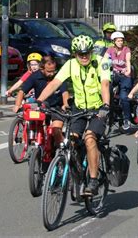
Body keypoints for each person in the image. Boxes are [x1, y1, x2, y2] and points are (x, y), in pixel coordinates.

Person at [37, 35, 111, 196]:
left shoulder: (101, 62)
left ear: (91, 52)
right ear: (74, 54)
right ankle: (75, 170)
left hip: (98, 109)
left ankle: (93, 180)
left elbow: (105, 84)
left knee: (90, 138)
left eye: (86, 53)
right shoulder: (70, 65)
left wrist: (105, 106)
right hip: (79, 109)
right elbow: (55, 83)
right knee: (70, 140)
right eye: (80, 54)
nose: (84, 57)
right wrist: (39, 101)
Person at [13, 55, 69, 146]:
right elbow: (22, 92)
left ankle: (63, 150)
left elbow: (65, 93)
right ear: (42, 68)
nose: (52, 73)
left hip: (57, 108)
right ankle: (33, 136)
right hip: (41, 105)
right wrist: (17, 105)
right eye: (49, 71)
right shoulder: (35, 76)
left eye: (54, 70)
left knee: (56, 130)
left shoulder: (59, 76)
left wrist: (65, 104)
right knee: (31, 115)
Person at [104, 31, 133, 130]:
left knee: (124, 96)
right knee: (107, 90)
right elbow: (104, 60)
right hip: (115, 75)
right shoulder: (110, 49)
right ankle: (109, 113)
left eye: (121, 40)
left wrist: (128, 70)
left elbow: (128, 61)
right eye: (118, 41)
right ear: (114, 42)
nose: (120, 42)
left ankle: (127, 119)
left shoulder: (126, 49)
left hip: (125, 75)